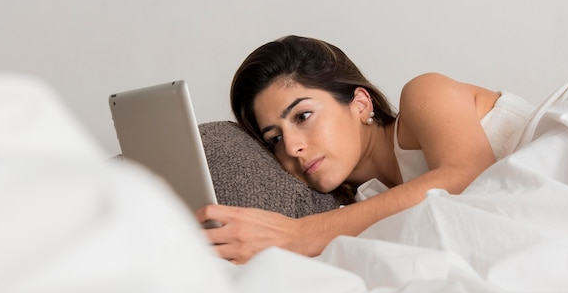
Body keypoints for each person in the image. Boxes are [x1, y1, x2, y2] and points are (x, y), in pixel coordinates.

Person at [196, 35, 534, 264]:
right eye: (275, 139)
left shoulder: (423, 95)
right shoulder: (360, 208)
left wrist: (298, 234)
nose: (293, 148)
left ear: (359, 103)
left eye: (303, 115)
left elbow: (469, 175)